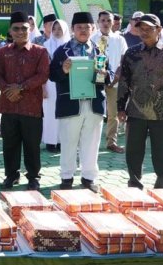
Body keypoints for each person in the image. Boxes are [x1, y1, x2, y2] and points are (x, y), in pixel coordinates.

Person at [117, 14, 163, 189]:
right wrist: (120, 107)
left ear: (159, 30)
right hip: (135, 111)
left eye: (149, 29)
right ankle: (134, 184)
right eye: (142, 29)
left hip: (161, 111)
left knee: (162, 152)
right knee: (133, 151)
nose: (144, 32)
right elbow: (124, 82)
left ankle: (162, 185)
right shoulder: (131, 53)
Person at [49, 12, 111, 193]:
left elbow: (110, 75)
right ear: (72, 29)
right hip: (70, 103)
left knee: (91, 143)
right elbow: (52, 75)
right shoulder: (62, 51)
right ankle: (66, 177)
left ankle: (89, 177)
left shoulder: (99, 51)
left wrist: (104, 75)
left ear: (93, 29)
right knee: (68, 142)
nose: (83, 30)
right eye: (79, 27)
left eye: (87, 27)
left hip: (94, 103)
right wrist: (63, 69)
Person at [0, 11, 50, 191]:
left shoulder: (40, 52)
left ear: (30, 29)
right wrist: (8, 90)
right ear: (10, 31)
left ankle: (33, 177)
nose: (20, 32)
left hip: (31, 107)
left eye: (24, 28)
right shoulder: (2, 52)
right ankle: (11, 176)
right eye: (16, 29)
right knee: (10, 144)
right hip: (8, 105)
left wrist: (20, 88)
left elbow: (42, 75)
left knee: (32, 145)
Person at [92, 11, 128, 154]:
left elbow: (123, 60)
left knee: (113, 113)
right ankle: (91, 143)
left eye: (109, 20)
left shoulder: (119, 40)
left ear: (113, 22)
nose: (106, 23)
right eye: (103, 20)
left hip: (114, 82)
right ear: (98, 22)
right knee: (95, 113)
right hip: (95, 82)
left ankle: (111, 142)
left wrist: (116, 77)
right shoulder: (92, 38)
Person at [41, 19, 70, 153]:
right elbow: (43, 69)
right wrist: (43, 87)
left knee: (64, 113)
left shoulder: (70, 46)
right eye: (54, 28)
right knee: (50, 114)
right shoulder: (46, 46)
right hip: (49, 84)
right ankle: (50, 141)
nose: (57, 31)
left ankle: (61, 141)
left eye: (60, 29)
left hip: (65, 84)